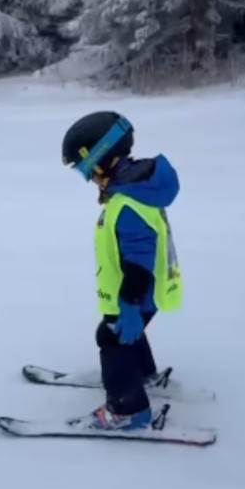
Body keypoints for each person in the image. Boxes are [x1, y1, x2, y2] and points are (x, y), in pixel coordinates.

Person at [61, 111, 183, 431]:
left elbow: (139, 261)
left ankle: (128, 409)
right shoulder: (131, 191)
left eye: (85, 168)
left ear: (101, 157)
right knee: (124, 335)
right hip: (141, 291)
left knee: (111, 338)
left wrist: (129, 305)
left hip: (138, 291)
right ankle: (142, 375)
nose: (87, 177)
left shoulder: (128, 203)